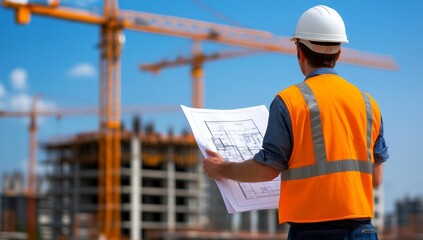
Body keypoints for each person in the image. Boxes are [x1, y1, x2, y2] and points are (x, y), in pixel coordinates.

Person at [203, 5, 389, 240]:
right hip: (363, 231)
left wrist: (221, 169)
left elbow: (267, 170)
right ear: (339, 53)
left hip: (312, 232)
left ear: (300, 52)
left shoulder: (289, 101)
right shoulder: (369, 103)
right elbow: (376, 178)